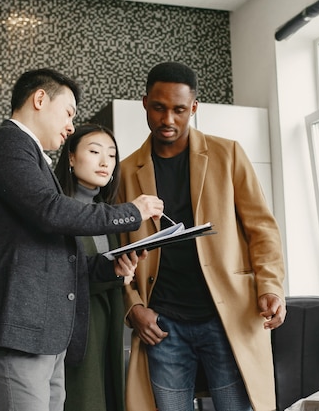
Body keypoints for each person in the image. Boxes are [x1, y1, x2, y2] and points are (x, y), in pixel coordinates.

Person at [0, 68, 163, 411]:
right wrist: (132, 211)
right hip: (20, 332)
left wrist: (109, 268)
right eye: (69, 112)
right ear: (39, 99)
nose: (71, 125)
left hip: (43, 336)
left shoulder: (28, 156)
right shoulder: (6, 143)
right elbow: (52, 211)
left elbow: (58, 257)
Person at [118, 62, 287, 411]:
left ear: (194, 107)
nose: (168, 119)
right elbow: (119, 251)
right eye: (159, 108)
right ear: (145, 102)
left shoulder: (229, 154)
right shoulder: (126, 172)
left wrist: (270, 286)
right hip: (162, 323)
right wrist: (133, 306)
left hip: (228, 316)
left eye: (179, 110)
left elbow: (262, 229)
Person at [54, 123, 133, 411]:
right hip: (77, 332)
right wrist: (112, 273)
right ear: (71, 157)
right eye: (94, 151)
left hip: (109, 325)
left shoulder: (106, 214)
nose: (105, 162)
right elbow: (63, 276)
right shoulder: (58, 211)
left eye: (111, 155)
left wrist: (122, 271)